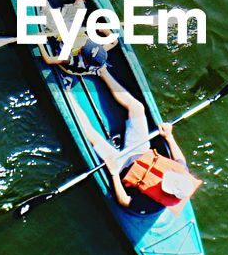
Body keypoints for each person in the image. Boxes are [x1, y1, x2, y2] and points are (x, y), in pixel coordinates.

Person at [69, 67, 199, 210]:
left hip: (121, 164)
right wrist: (169, 137)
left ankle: (67, 94)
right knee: (137, 107)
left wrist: (113, 174)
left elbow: (124, 201)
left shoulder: (153, 204)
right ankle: (102, 71)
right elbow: (180, 161)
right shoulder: (182, 175)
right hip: (141, 150)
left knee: (93, 137)